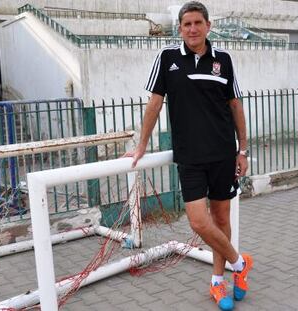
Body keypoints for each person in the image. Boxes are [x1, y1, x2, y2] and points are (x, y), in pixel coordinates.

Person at [124, 2, 253, 310]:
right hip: (191, 157)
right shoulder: (167, 58)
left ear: (208, 26)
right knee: (198, 221)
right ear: (179, 29)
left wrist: (243, 148)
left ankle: (218, 282)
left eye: (198, 23)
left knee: (221, 219)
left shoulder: (224, 60)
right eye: (186, 24)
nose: (192, 29)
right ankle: (240, 263)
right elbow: (154, 105)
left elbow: (235, 106)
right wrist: (142, 145)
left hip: (223, 153)